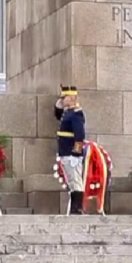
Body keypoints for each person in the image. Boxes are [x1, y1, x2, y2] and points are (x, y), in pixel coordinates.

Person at [54, 85, 86, 215]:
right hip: (65, 152)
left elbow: (80, 136)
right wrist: (59, 104)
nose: (62, 99)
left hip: (71, 153)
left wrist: (76, 153)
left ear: (72, 98)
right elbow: (58, 114)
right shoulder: (68, 113)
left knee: (76, 180)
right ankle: (74, 208)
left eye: (64, 97)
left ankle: (77, 208)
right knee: (72, 182)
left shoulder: (76, 114)